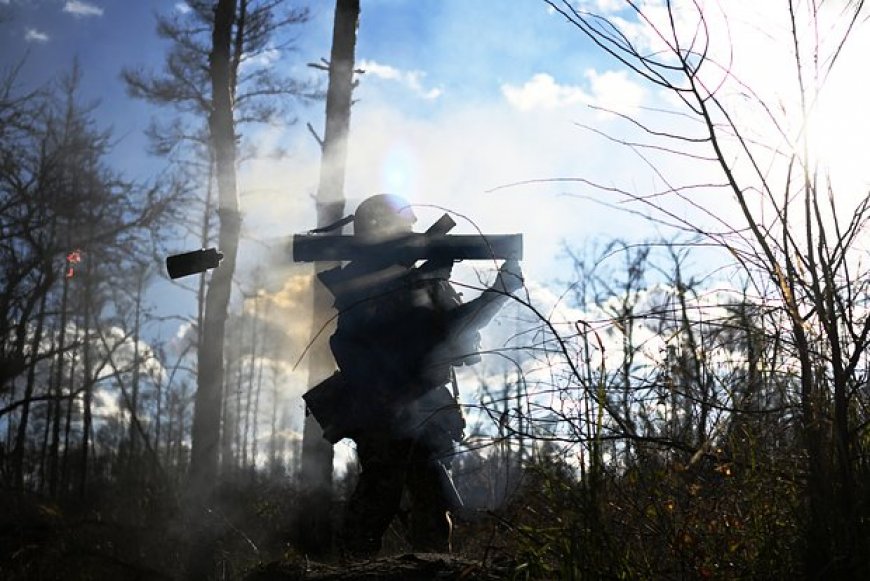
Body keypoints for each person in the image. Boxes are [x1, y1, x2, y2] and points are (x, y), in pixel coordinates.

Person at [319, 194, 523, 557]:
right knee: (382, 494)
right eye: (405, 230)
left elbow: (447, 331)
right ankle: (357, 569)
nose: (411, 235)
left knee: (426, 496)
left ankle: (425, 567)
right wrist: (499, 290)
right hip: (386, 410)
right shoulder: (374, 287)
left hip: (417, 409)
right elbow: (443, 332)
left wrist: (494, 288)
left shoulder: (397, 282)